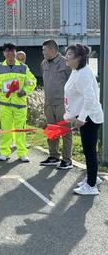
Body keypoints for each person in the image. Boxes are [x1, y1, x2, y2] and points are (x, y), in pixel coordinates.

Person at [64, 44, 104, 196]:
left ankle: (91, 185)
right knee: (89, 150)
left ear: (79, 58)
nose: (66, 57)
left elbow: (90, 98)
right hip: (86, 116)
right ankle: (93, 177)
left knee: (89, 151)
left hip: (90, 118)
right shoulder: (77, 71)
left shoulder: (83, 74)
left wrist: (81, 118)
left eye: (69, 54)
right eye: (66, 53)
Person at [0, 43, 37, 162]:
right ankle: (4, 152)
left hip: (20, 105)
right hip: (4, 105)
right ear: (4, 53)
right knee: (5, 129)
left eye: (12, 51)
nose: (10, 53)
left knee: (20, 130)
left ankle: (22, 153)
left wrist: (24, 91)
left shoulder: (23, 67)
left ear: (15, 52)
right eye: (7, 51)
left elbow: (32, 81)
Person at [40, 39, 73, 169]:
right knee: (52, 130)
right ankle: (53, 156)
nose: (42, 52)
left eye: (44, 49)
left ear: (52, 50)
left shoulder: (66, 63)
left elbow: (73, 83)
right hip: (49, 102)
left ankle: (67, 160)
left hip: (62, 104)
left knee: (65, 131)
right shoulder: (44, 63)